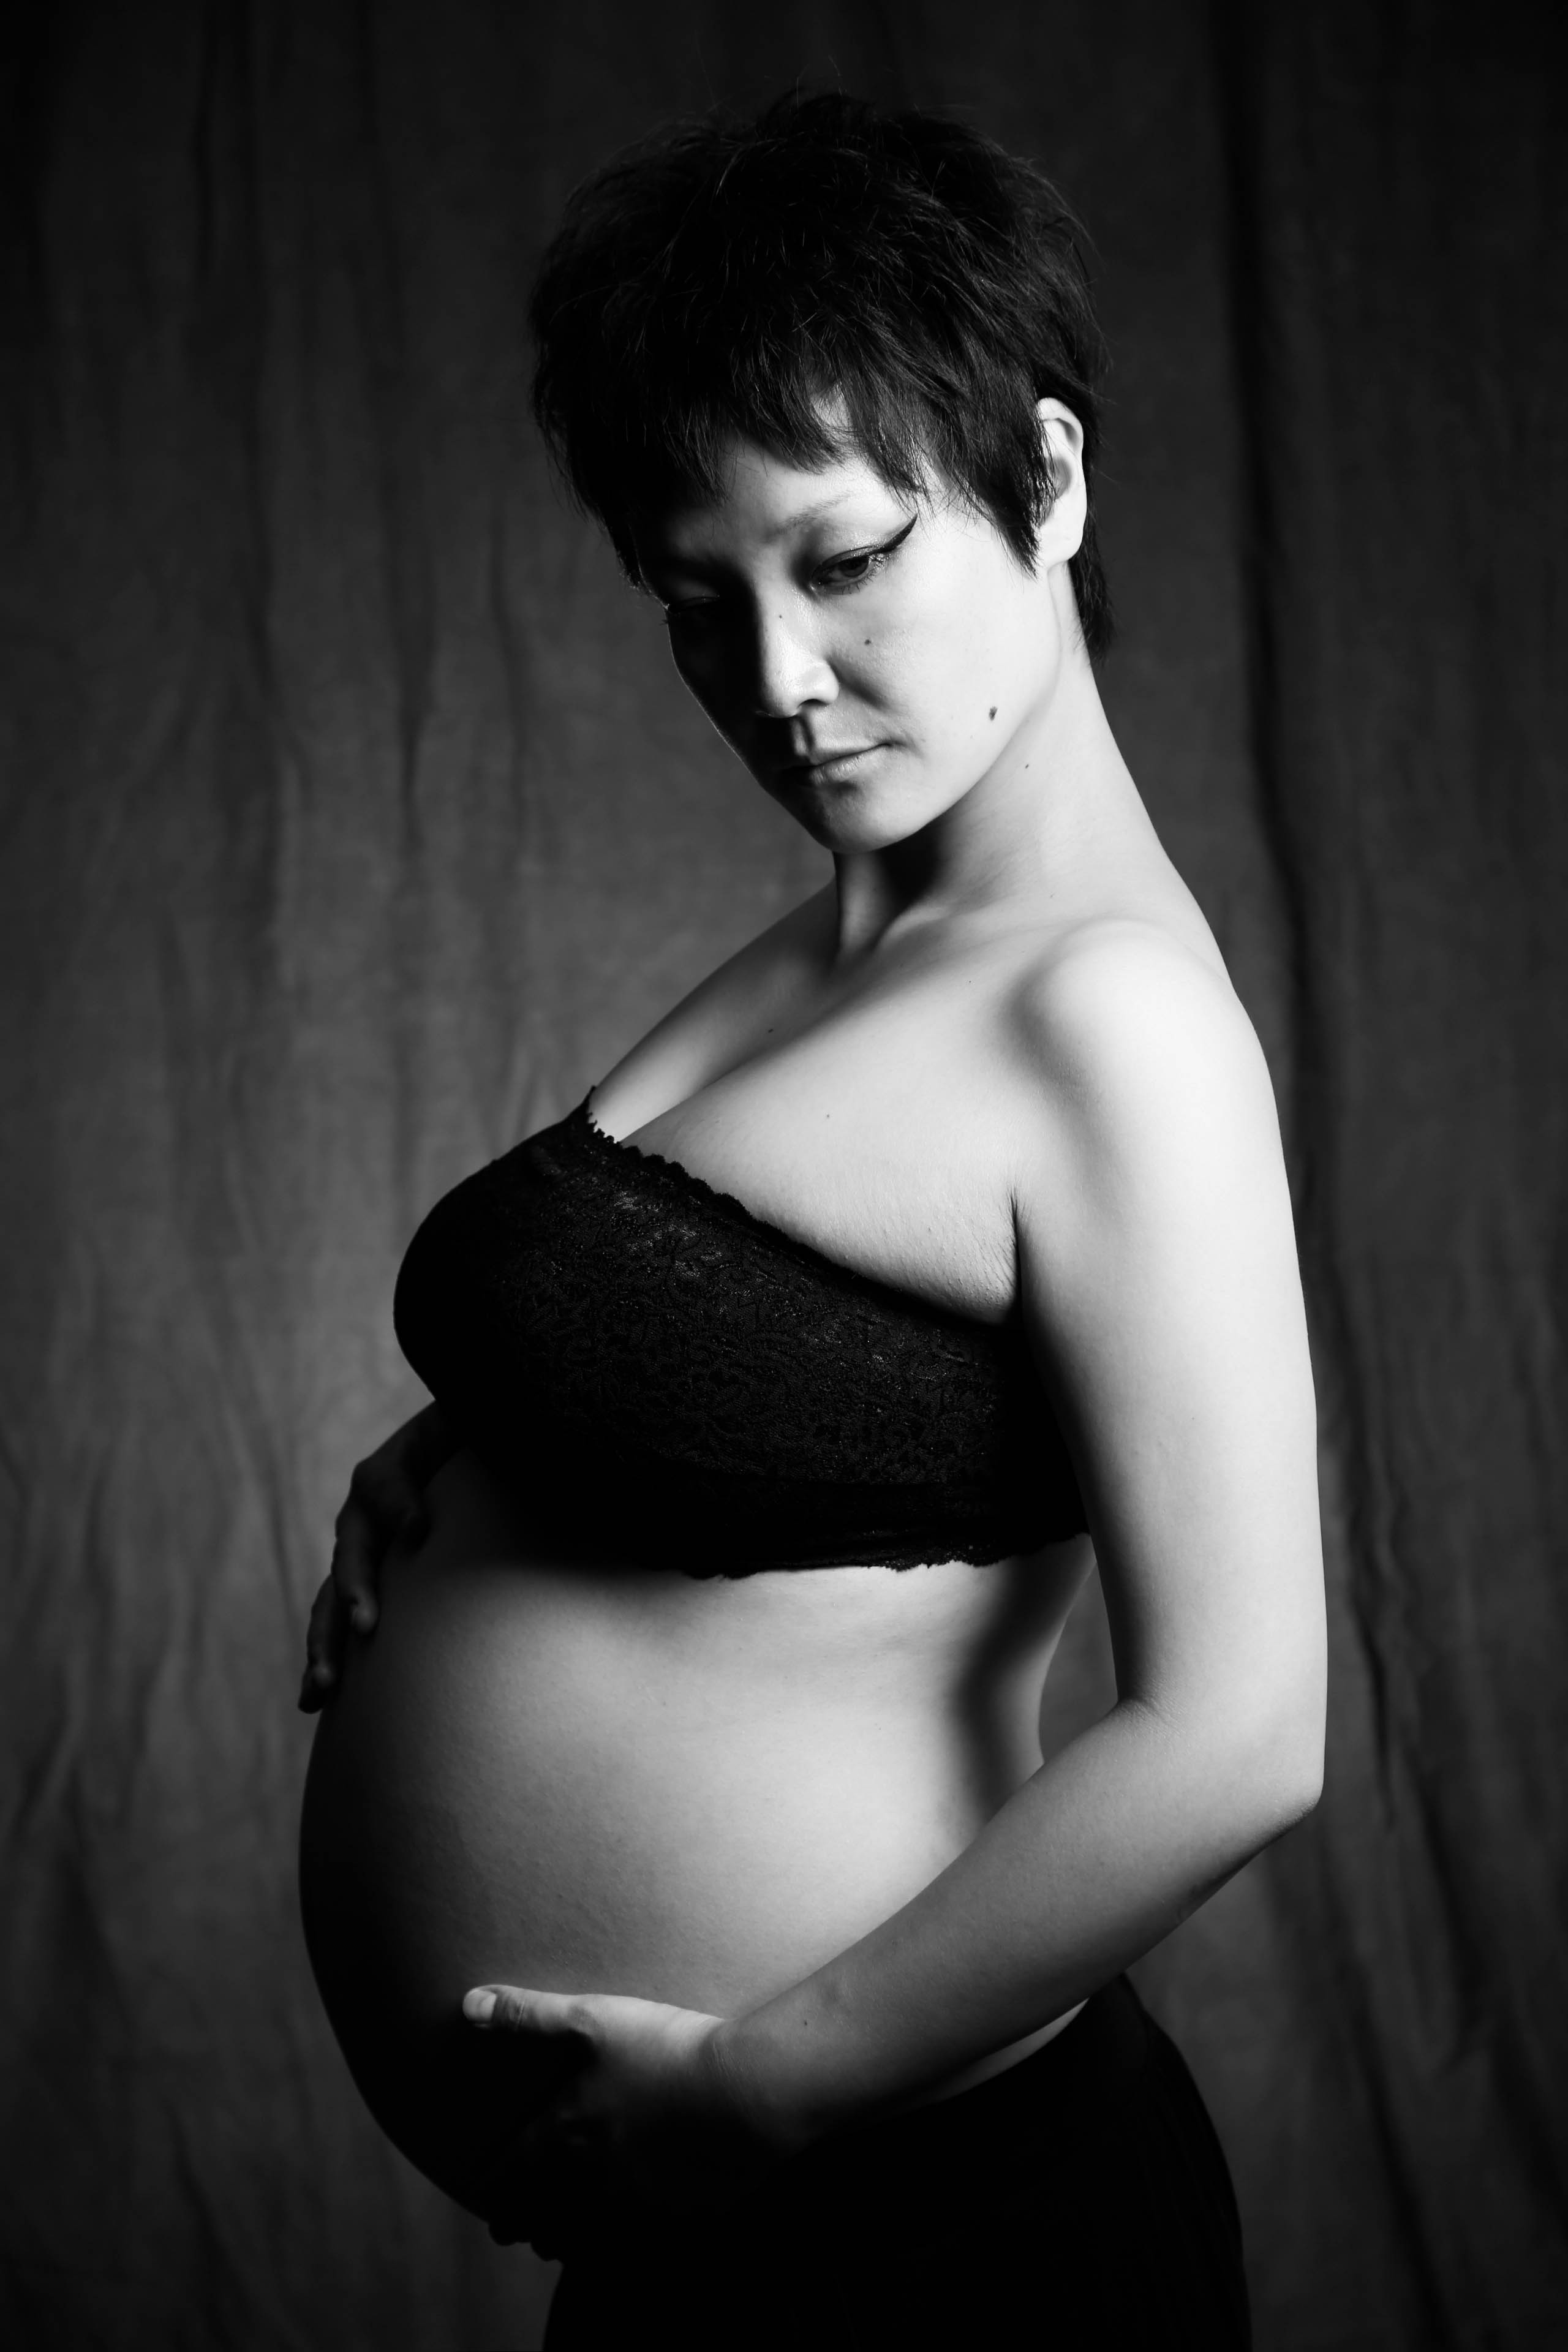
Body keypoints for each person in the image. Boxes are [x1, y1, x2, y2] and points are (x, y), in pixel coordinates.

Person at [297, 89, 1324, 2350]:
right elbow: (788, 1365)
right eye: (701, 604)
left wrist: (760, 2090)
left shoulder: (1111, 1018)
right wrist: (487, 1442)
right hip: (701, 2225)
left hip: (929, 2236)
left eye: (845, 562)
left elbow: (1243, 1728)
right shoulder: (857, 937)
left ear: (1047, 479)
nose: (775, 680)